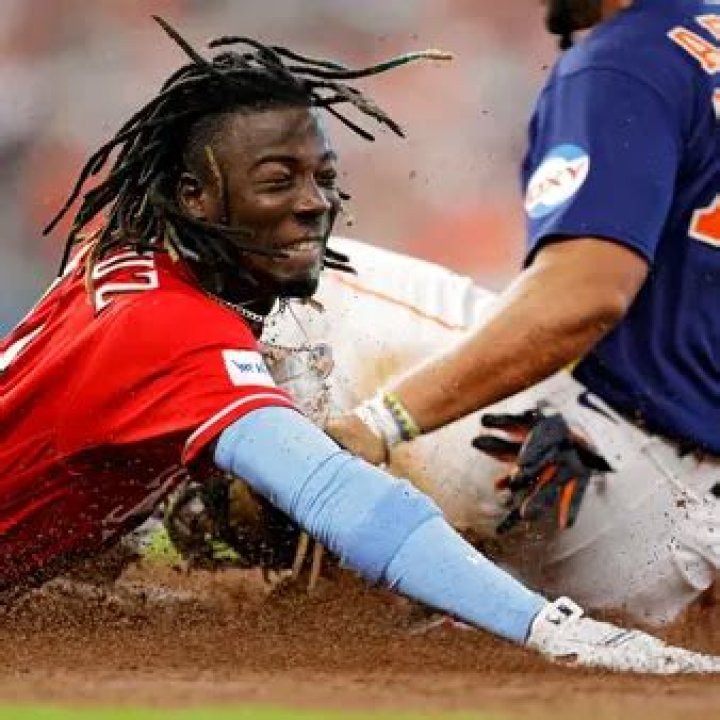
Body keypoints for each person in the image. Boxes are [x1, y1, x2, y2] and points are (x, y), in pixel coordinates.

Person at [0, 16, 716, 675]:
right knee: (319, 320)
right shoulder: (176, 330)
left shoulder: (127, 255)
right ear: (192, 194)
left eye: (325, 177)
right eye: (277, 181)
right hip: (661, 491)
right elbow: (341, 496)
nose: (315, 203)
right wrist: (548, 630)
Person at [324, 0, 720, 629]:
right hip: (689, 524)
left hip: (623, 503)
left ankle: (310, 553)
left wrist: (380, 422)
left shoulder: (628, 59)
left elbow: (585, 295)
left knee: (328, 278)